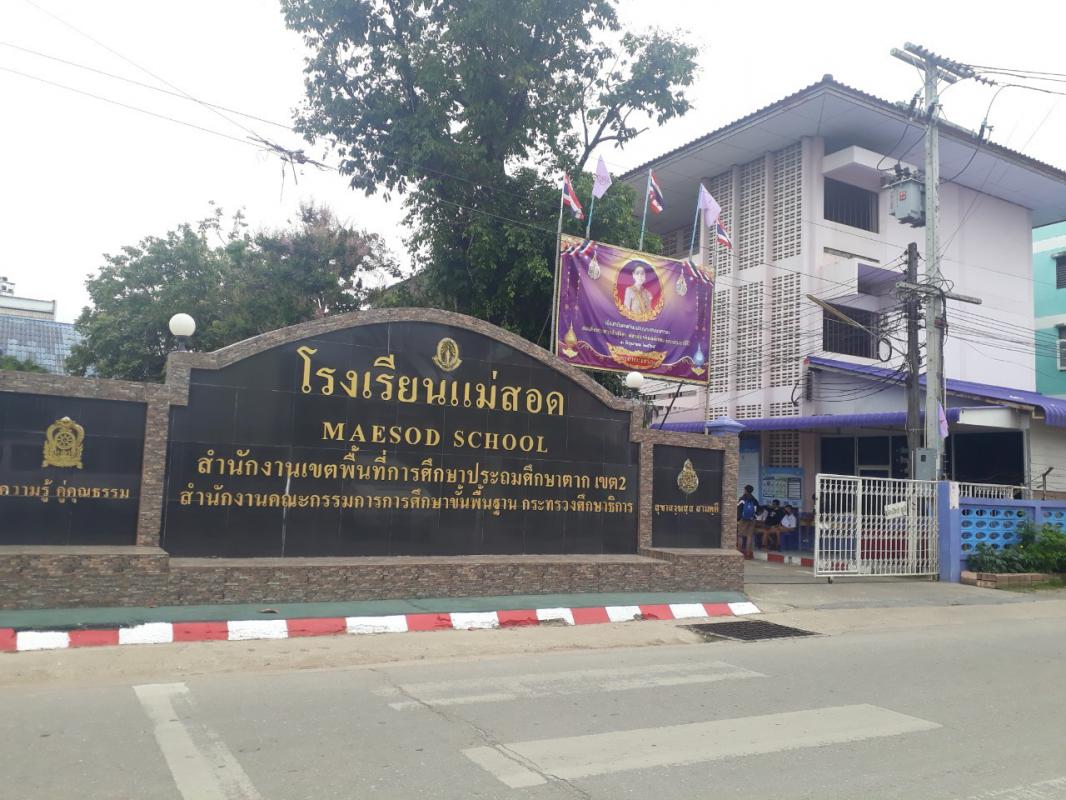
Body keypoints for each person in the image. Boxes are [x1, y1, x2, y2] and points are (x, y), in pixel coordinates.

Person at [736, 485, 760, 558]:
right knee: (749, 536)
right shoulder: (755, 500)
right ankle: (748, 554)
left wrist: (738, 519)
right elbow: (758, 511)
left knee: (740, 536)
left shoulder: (742, 499)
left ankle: (739, 553)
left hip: (743, 519)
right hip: (752, 519)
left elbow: (738, 509)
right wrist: (754, 516)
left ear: (746, 490)